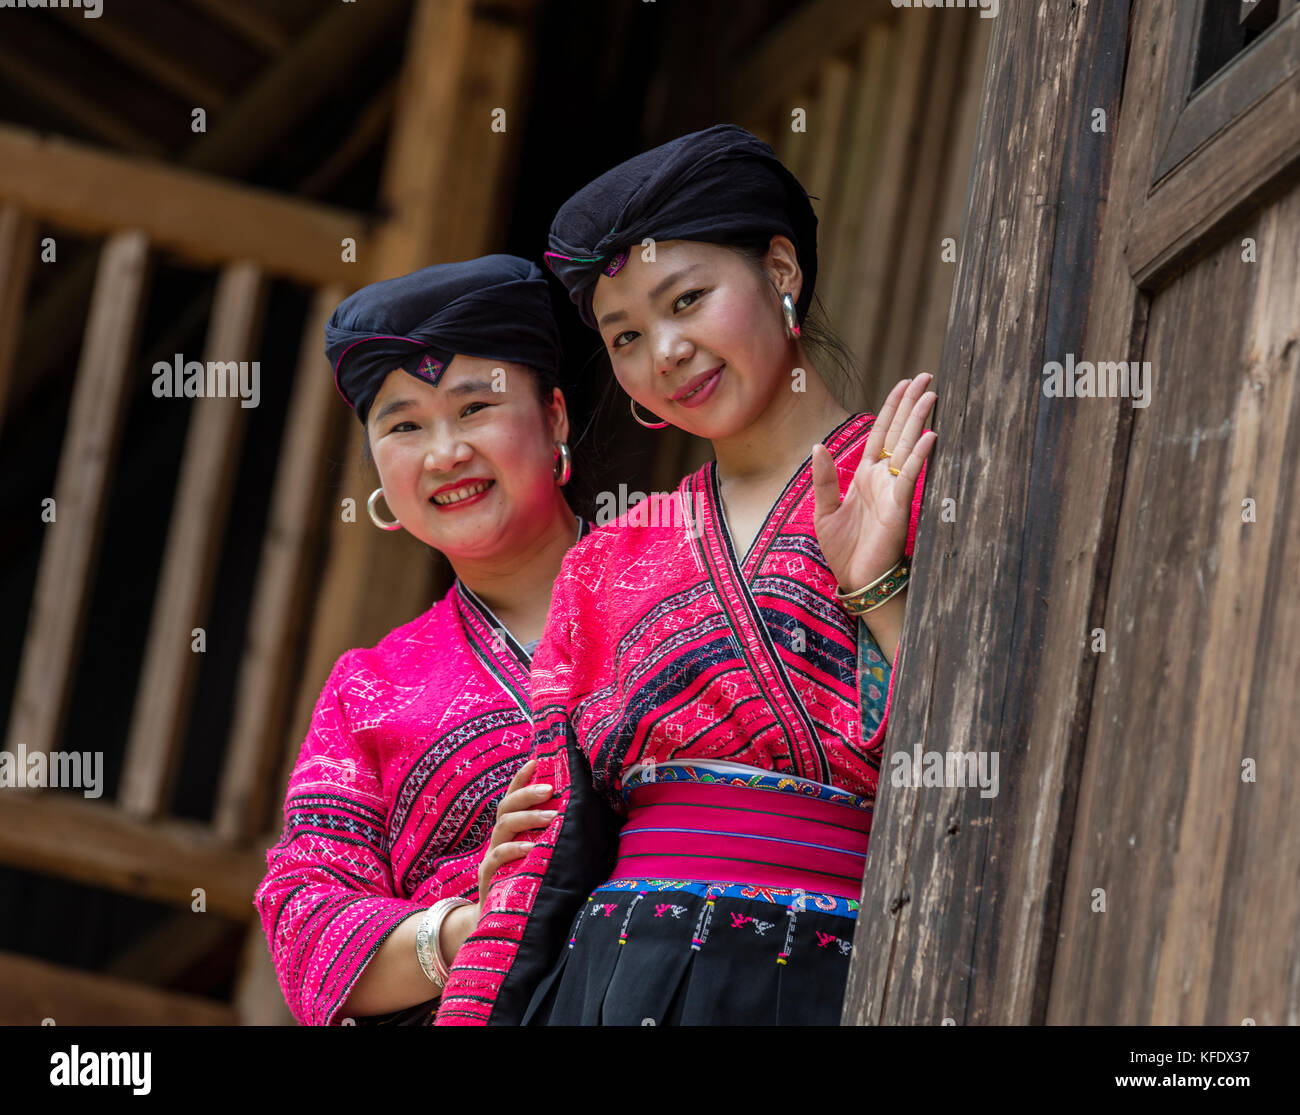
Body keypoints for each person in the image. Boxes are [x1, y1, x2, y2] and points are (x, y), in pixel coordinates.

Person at [435, 125, 936, 1026]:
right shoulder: (605, 561)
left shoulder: (918, 476)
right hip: (614, 979)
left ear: (781, 270)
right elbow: (550, 850)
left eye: (689, 298)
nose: (662, 351)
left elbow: (992, 757)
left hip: (842, 979)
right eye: (625, 334)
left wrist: (876, 586)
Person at [254, 255, 591, 1025]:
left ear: (556, 419)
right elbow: (306, 925)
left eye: (475, 409)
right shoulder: (368, 685)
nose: (444, 454)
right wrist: (470, 921)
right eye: (404, 424)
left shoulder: (677, 575)